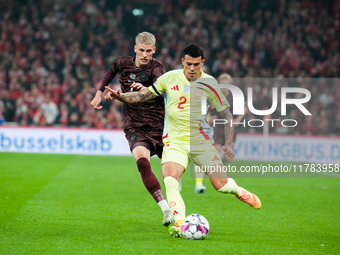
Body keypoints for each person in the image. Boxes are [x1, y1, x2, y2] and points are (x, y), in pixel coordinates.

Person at [104, 44, 261, 238]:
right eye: (189, 64)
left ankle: (239, 191)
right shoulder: (169, 78)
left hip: (201, 142)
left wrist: (228, 143)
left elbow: (226, 114)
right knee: (170, 179)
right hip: (175, 141)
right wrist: (122, 96)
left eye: (196, 64)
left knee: (221, 185)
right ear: (183, 62)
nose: (192, 68)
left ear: (202, 63)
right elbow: (143, 95)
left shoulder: (210, 83)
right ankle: (179, 224)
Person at [90, 32, 174, 227]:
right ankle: (166, 210)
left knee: (171, 172)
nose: (145, 55)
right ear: (135, 49)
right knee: (143, 164)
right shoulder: (122, 63)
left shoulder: (157, 67)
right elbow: (110, 72)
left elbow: (159, 89)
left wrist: (144, 88)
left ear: (154, 50)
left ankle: (176, 204)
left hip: (158, 125)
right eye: (141, 50)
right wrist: (99, 93)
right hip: (134, 124)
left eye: (149, 51)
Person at [194, 73, 248, 193]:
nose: (224, 86)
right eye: (222, 83)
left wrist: (238, 119)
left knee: (228, 158)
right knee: (217, 150)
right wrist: (210, 118)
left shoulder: (235, 95)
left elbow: (245, 107)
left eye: (226, 83)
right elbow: (205, 107)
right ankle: (217, 175)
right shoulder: (214, 94)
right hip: (218, 127)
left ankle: (220, 169)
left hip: (231, 128)